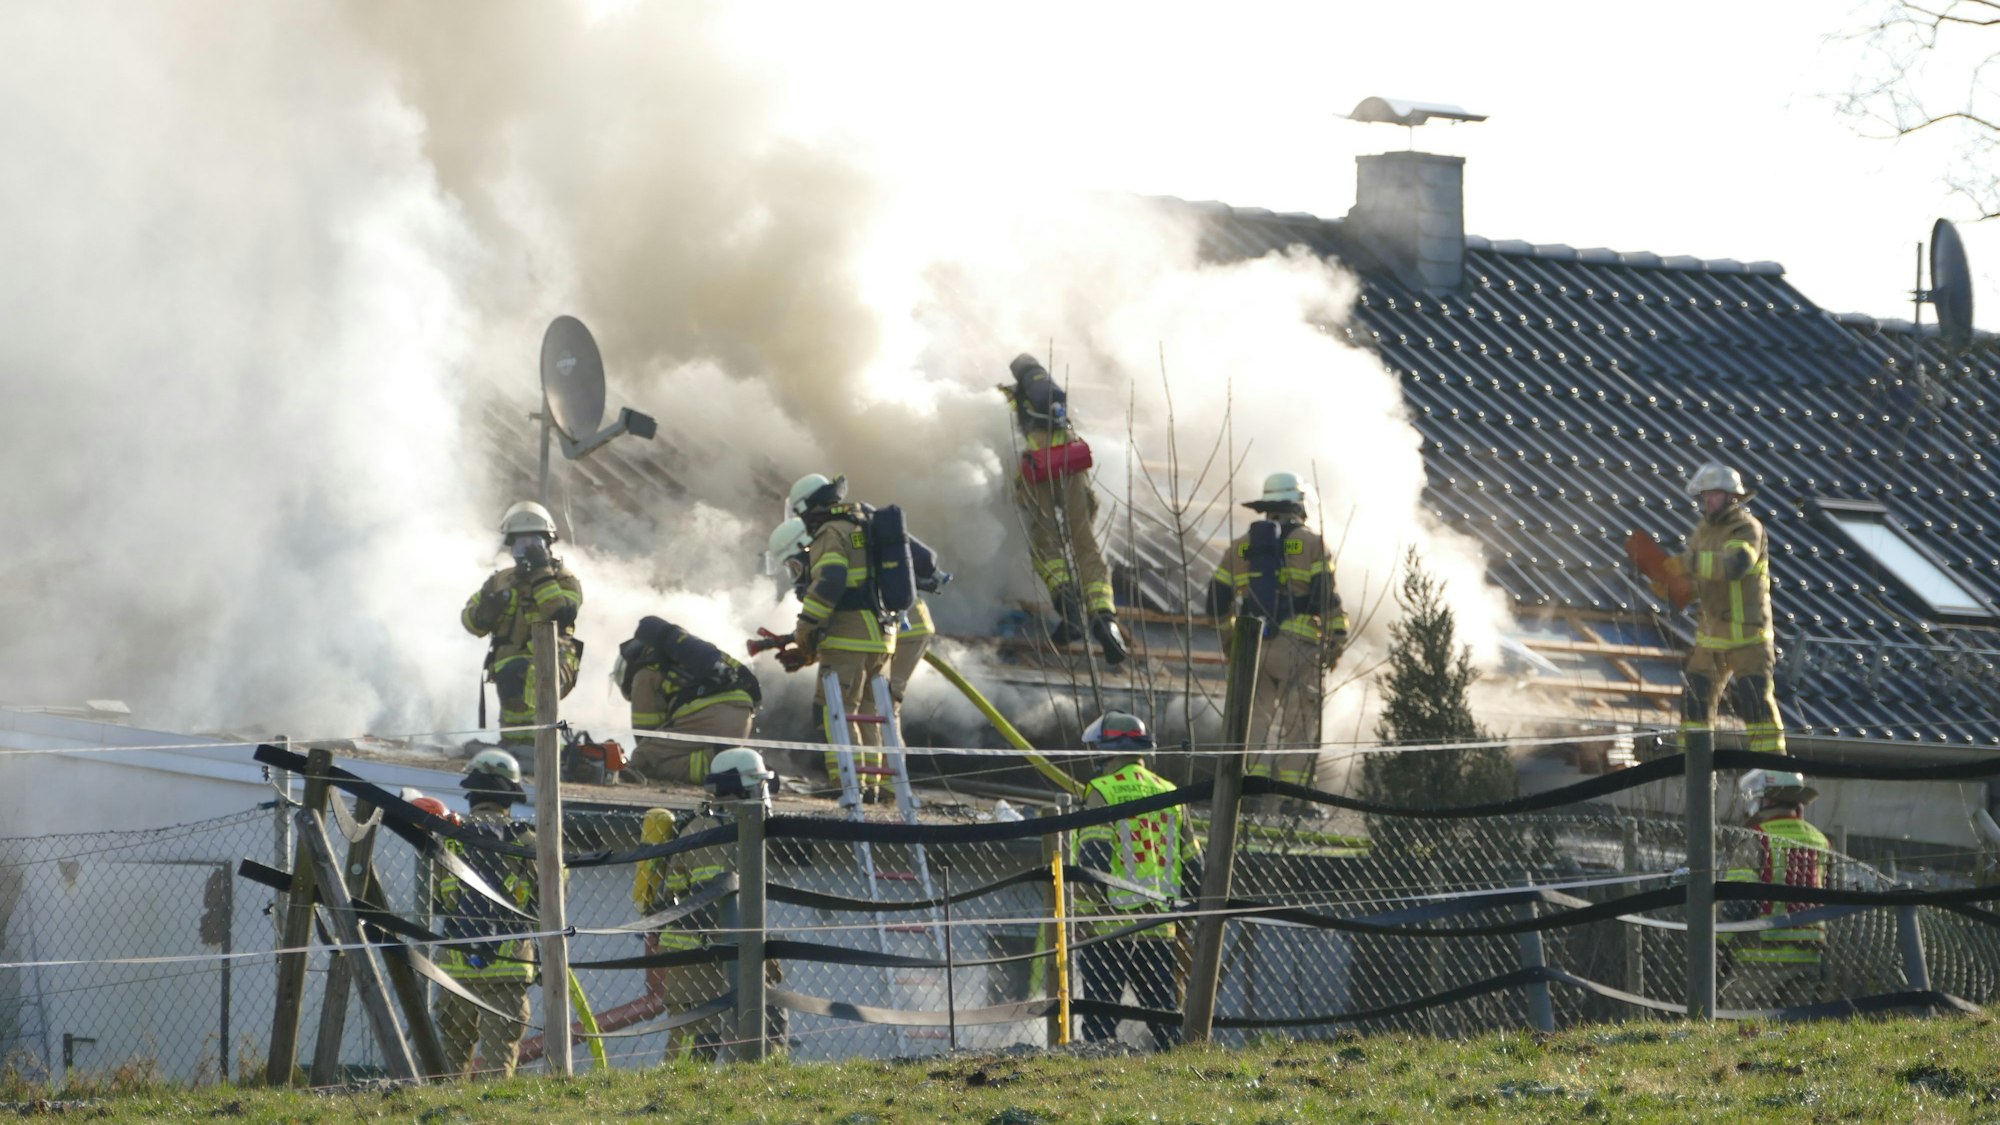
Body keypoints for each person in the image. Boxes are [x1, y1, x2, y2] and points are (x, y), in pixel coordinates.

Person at [631, 751, 787, 1059]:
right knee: (695, 1043)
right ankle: (678, 1096)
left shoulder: (735, 826)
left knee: (766, 1023)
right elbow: (714, 904)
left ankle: (766, 1086)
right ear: (739, 787)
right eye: (758, 786)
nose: (762, 794)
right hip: (697, 956)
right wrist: (756, 948)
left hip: (721, 949)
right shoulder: (712, 832)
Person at [1206, 472, 1348, 796]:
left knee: (1254, 718)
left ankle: (1251, 791)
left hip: (1252, 648)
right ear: (1298, 505)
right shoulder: (1313, 544)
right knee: (1300, 722)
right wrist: (1336, 642)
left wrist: (1231, 641)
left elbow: (1215, 602)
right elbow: (1327, 598)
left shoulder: (1241, 547)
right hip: (1298, 648)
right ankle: (1292, 797)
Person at [1070, 710, 1198, 1050]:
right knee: (1165, 1016)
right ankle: (1179, 1075)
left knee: (1100, 1019)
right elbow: (1193, 863)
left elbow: (1093, 859)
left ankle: (1096, 1080)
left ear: (1107, 750)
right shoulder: (1170, 792)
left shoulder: (1101, 790)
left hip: (1108, 925)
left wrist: (1082, 916)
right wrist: (1187, 917)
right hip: (1159, 924)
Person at [1003, 353, 1127, 666]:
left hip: (1036, 468)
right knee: (1085, 542)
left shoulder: (1010, 397)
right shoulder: (1056, 398)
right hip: (1072, 463)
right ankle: (1105, 620)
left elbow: (1002, 432)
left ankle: (1069, 610)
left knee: (1046, 545)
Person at [785, 473, 897, 795]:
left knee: (837, 713)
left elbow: (831, 582)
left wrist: (807, 625)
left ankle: (847, 784)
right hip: (881, 638)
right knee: (868, 715)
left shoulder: (831, 532)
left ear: (811, 508)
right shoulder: (864, 525)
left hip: (849, 639)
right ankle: (874, 786)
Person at [431, 749, 538, 1078]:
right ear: (510, 798)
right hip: (508, 966)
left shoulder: (450, 836)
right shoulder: (527, 840)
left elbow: (438, 898)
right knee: (499, 1063)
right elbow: (551, 898)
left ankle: (445, 1111)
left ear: (472, 792)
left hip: (455, 966)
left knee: (450, 1060)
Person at [1669, 463, 1785, 756]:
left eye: (1715, 494)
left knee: (1753, 701)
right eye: (1705, 495)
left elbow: (1734, 566)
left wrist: (1689, 564)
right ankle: (1691, 765)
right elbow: (1699, 578)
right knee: (1694, 700)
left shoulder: (1746, 529)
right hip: (1711, 636)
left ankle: (1773, 768)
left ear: (1733, 497)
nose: (1708, 500)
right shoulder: (1703, 532)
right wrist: (1671, 581)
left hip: (1748, 635)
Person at [460, 501, 584, 753]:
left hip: (555, 660)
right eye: (520, 544)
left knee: (525, 674)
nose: (526, 550)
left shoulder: (565, 580)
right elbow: (470, 622)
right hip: (509, 665)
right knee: (514, 673)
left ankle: (539, 748)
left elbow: (559, 613)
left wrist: (541, 572)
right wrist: (486, 610)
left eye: (533, 543)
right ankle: (516, 745)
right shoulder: (500, 581)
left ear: (547, 544)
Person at [1720, 769, 1832, 1008]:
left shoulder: (1757, 837)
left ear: (1766, 800)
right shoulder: (1821, 841)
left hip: (1759, 960)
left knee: (1737, 1031)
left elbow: (1737, 902)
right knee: (1796, 1034)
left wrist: (1717, 943)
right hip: (1809, 957)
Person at [615, 616, 761, 786]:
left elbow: (647, 731)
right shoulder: (704, 656)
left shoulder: (645, 671)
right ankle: (739, 764)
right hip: (742, 719)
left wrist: (649, 752)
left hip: (710, 715)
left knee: (644, 760)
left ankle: (723, 769)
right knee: (670, 754)